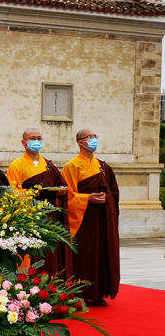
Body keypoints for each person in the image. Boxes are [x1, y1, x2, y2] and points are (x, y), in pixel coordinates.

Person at [62, 129, 120, 306]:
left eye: (95, 136)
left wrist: (106, 199)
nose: (94, 140)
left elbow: (113, 192)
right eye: (90, 137)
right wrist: (88, 198)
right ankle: (81, 294)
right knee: (84, 256)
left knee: (101, 255)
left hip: (102, 220)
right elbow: (66, 196)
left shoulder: (103, 166)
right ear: (80, 142)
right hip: (83, 221)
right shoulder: (71, 166)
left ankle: (99, 293)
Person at [7, 128, 68, 277]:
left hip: (49, 216)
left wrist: (61, 191)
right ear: (24, 142)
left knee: (49, 255)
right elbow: (10, 193)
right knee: (30, 256)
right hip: (27, 218)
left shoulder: (49, 165)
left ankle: (51, 288)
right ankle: (27, 289)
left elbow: (63, 185)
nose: (36, 142)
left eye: (39, 138)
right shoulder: (16, 165)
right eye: (32, 138)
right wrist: (31, 192)